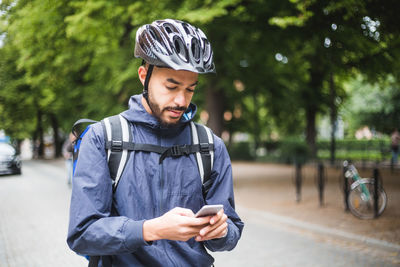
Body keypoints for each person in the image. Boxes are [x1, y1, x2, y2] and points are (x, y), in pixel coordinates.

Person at [67, 19, 244, 267]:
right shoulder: (103, 138)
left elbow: (231, 230)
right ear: (144, 76)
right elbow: (82, 234)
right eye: (171, 86)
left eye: (190, 89)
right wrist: (152, 229)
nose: (181, 101)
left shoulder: (210, 146)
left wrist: (221, 232)